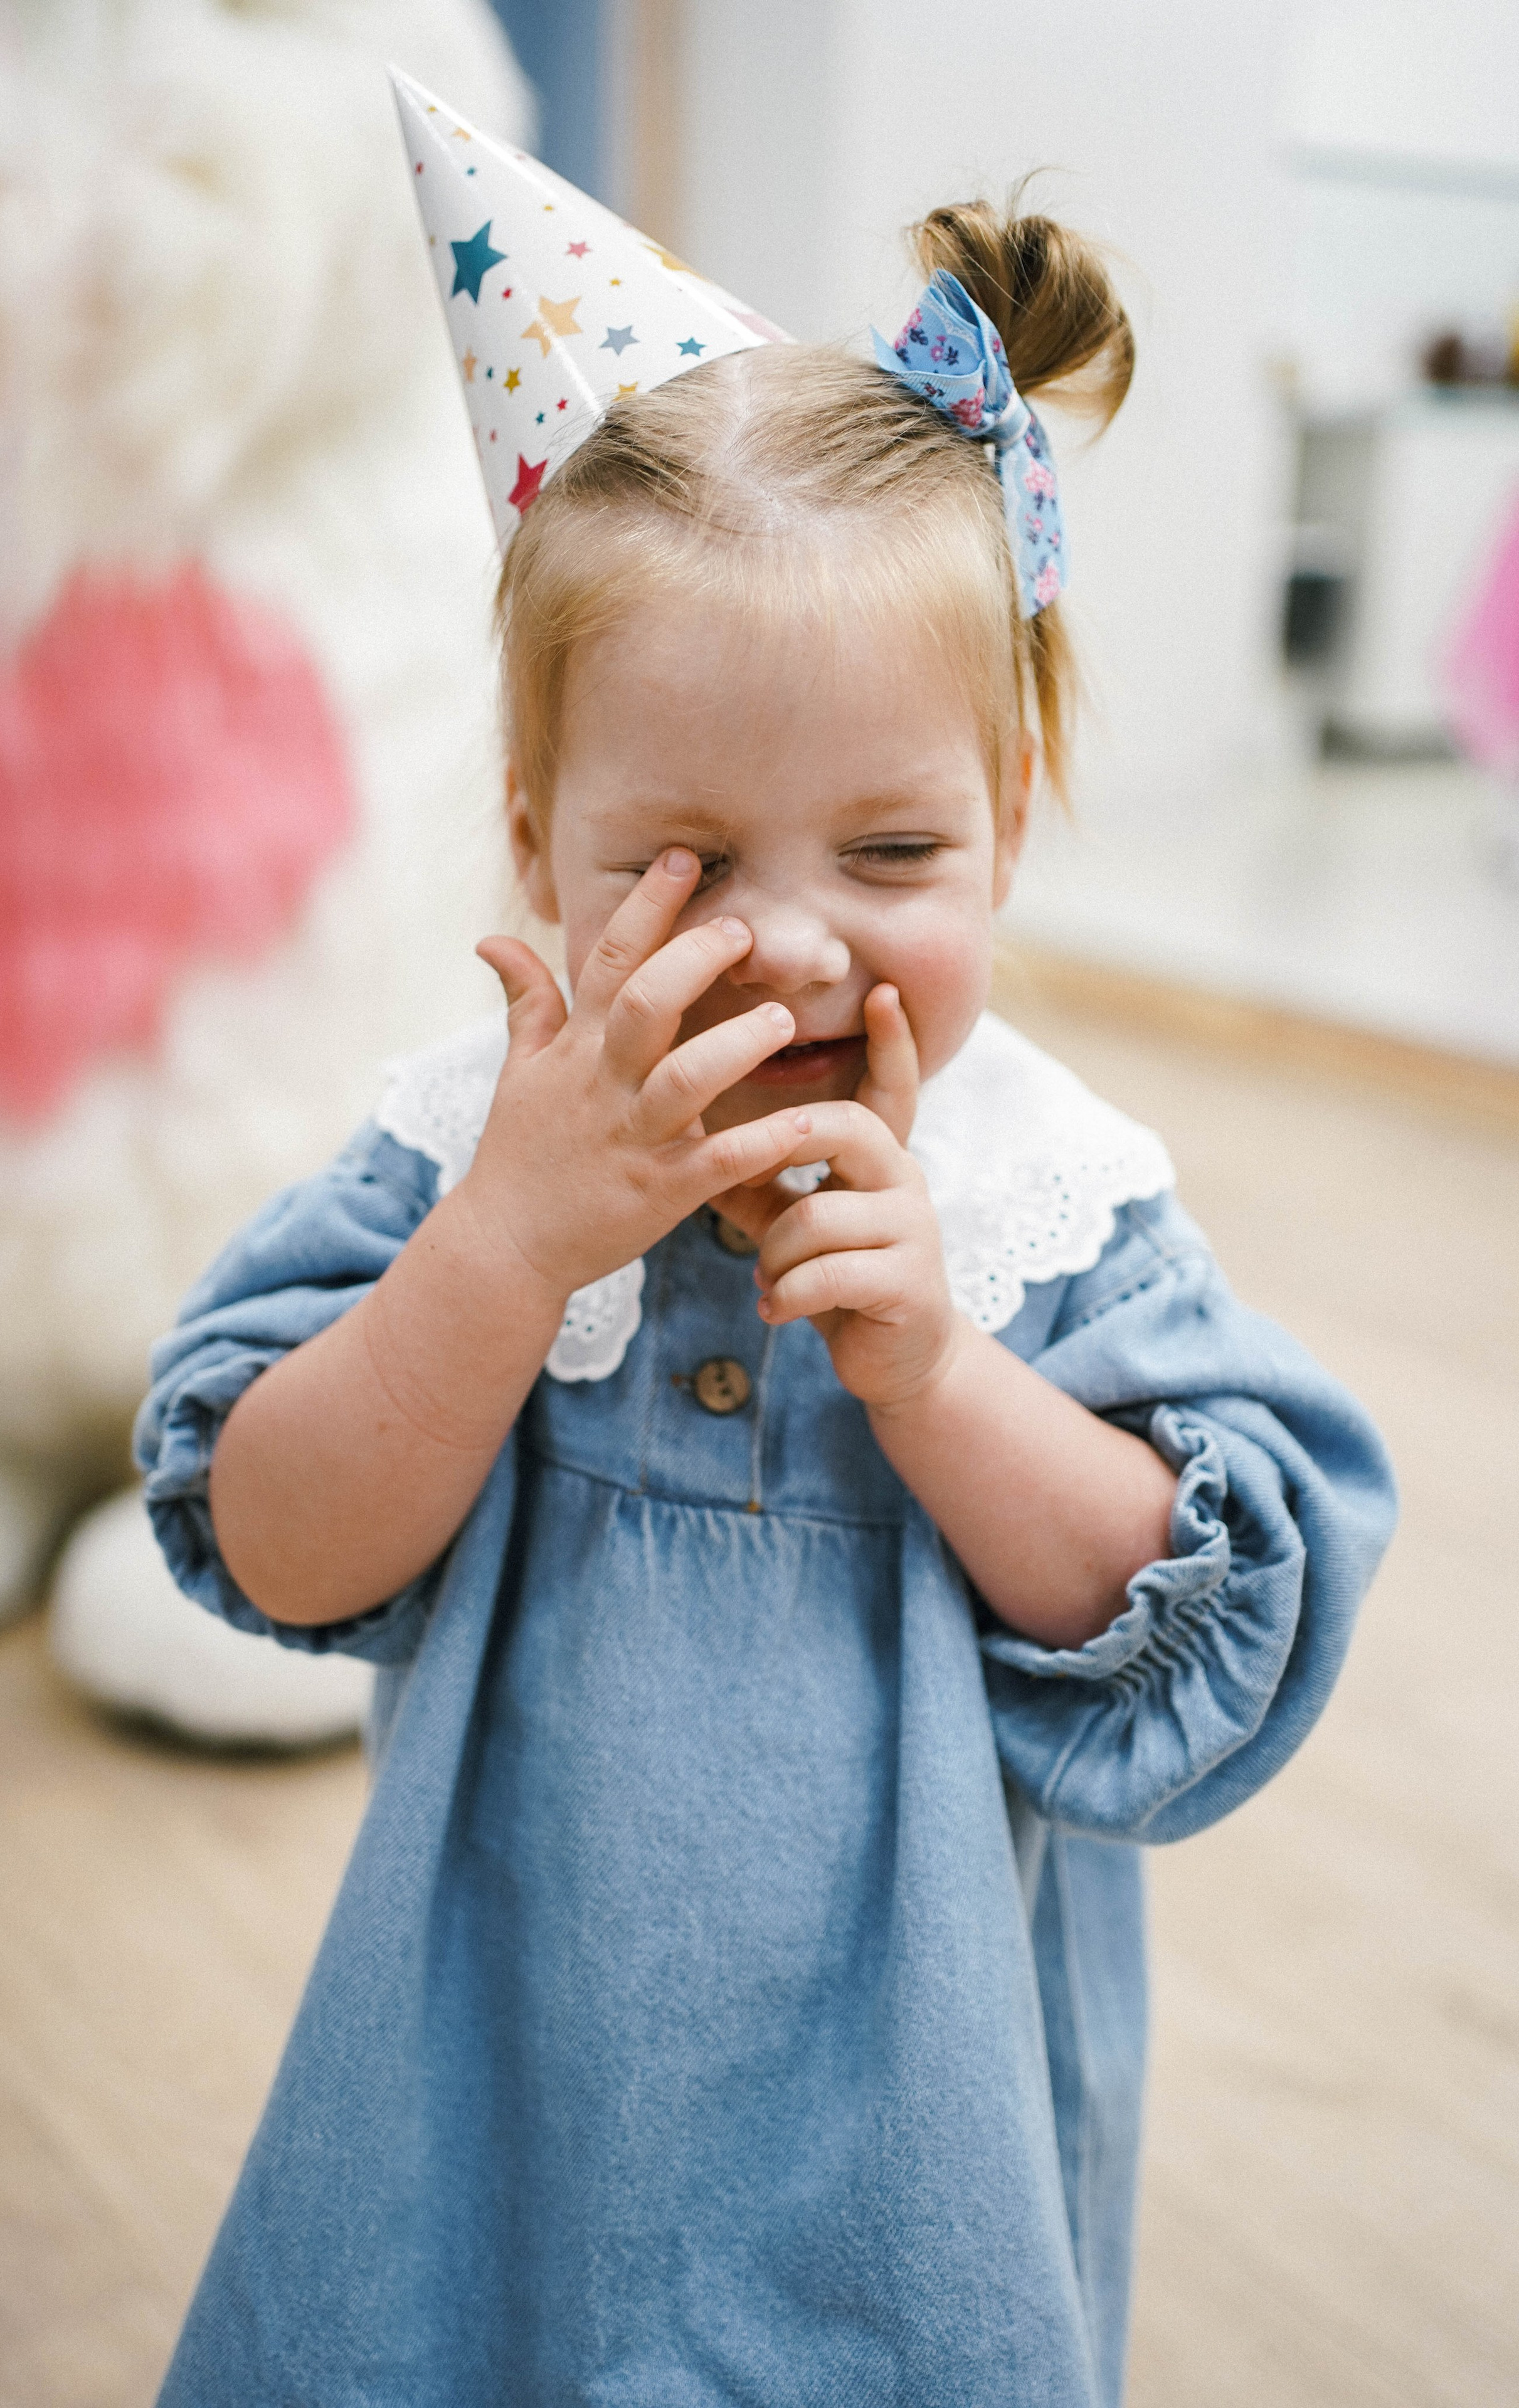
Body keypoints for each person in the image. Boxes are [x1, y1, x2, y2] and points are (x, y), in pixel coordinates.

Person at [137, 82, 1397, 2408]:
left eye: (895, 853)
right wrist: (503, 1263)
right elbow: (275, 1540)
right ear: (532, 836)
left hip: (914, 2153)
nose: (801, 949)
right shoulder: (464, 1160)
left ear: (1011, 822)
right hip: (491, 2100)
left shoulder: (1048, 1200)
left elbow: (1190, 1629)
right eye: (689, 862)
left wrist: (939, 1374)